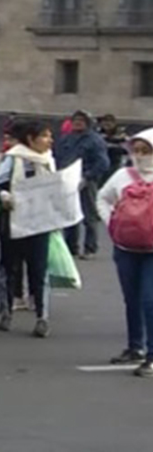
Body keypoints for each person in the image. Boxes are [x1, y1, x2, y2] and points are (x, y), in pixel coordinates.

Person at [97, 127, 153, 375]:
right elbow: (102, 197)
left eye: (146, 151)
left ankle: (152, 355)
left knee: (149, 300)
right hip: (126, 247)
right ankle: (135, 346)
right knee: (131, 298)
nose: (140, 156)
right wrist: (112, 223)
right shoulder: (122, 175)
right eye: (137, 150)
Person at [0, 119, 56, 338]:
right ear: (31, 139)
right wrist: (4, 195)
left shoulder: (49, 160)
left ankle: (42, 317)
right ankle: (6, 311)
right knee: (9, 268)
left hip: (39, 223)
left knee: (38, 270)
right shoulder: (13, 158)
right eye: (45, 136)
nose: (50, 141)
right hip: (13, 220)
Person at [55, 110, 111, 259]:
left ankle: (90, 248)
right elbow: (57, 157)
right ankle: (70, 247)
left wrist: (87, 176)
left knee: (89, 216)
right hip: (67, 180)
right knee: (69, 215)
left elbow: (103, 163)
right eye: (75, 120)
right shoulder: (65, 139)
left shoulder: (95, 140)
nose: (78, 123)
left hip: (86, 181)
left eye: (81, 120)